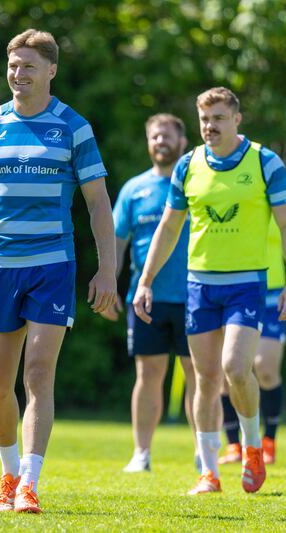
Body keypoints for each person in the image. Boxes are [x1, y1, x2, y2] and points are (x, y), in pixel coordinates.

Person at [0, 29, 116, 513]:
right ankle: (8, 474)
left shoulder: (73, 127)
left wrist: (106, 269)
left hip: (52, 264)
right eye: (13, 65)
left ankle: (29, 481)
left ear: (51, 71)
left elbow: (97, 203)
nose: (18, 74)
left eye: (28, 66)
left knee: (38, 374)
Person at [133, 87, 286, 496]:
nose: (210, 127)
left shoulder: (265, 163)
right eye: (204, 120)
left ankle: (251, 444)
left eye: (219, 119)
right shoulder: (188, 165)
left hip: (247, 284)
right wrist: (145, 280)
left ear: (237, 119)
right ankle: (208, 472)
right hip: (200, 285)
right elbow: (169, 227)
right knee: (206, 379)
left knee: (234, 366)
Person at [103, 113, 198, 473]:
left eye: (167, 136)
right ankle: (141, 453)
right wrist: (109, 286)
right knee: (148, 376)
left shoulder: (195, 185)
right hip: (145, 300)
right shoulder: (133, 189)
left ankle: (203, 452)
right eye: (154, 137)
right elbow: (116, 241)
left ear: (182, 142)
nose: (160, 142)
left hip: (194, 296)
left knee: (199, 377)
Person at [219, 219, 286, 465]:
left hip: (274, 295)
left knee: (265, 367)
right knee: (228, 371)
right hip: (234, 292)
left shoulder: (280, 203)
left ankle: (268, 441)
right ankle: (233, 444)